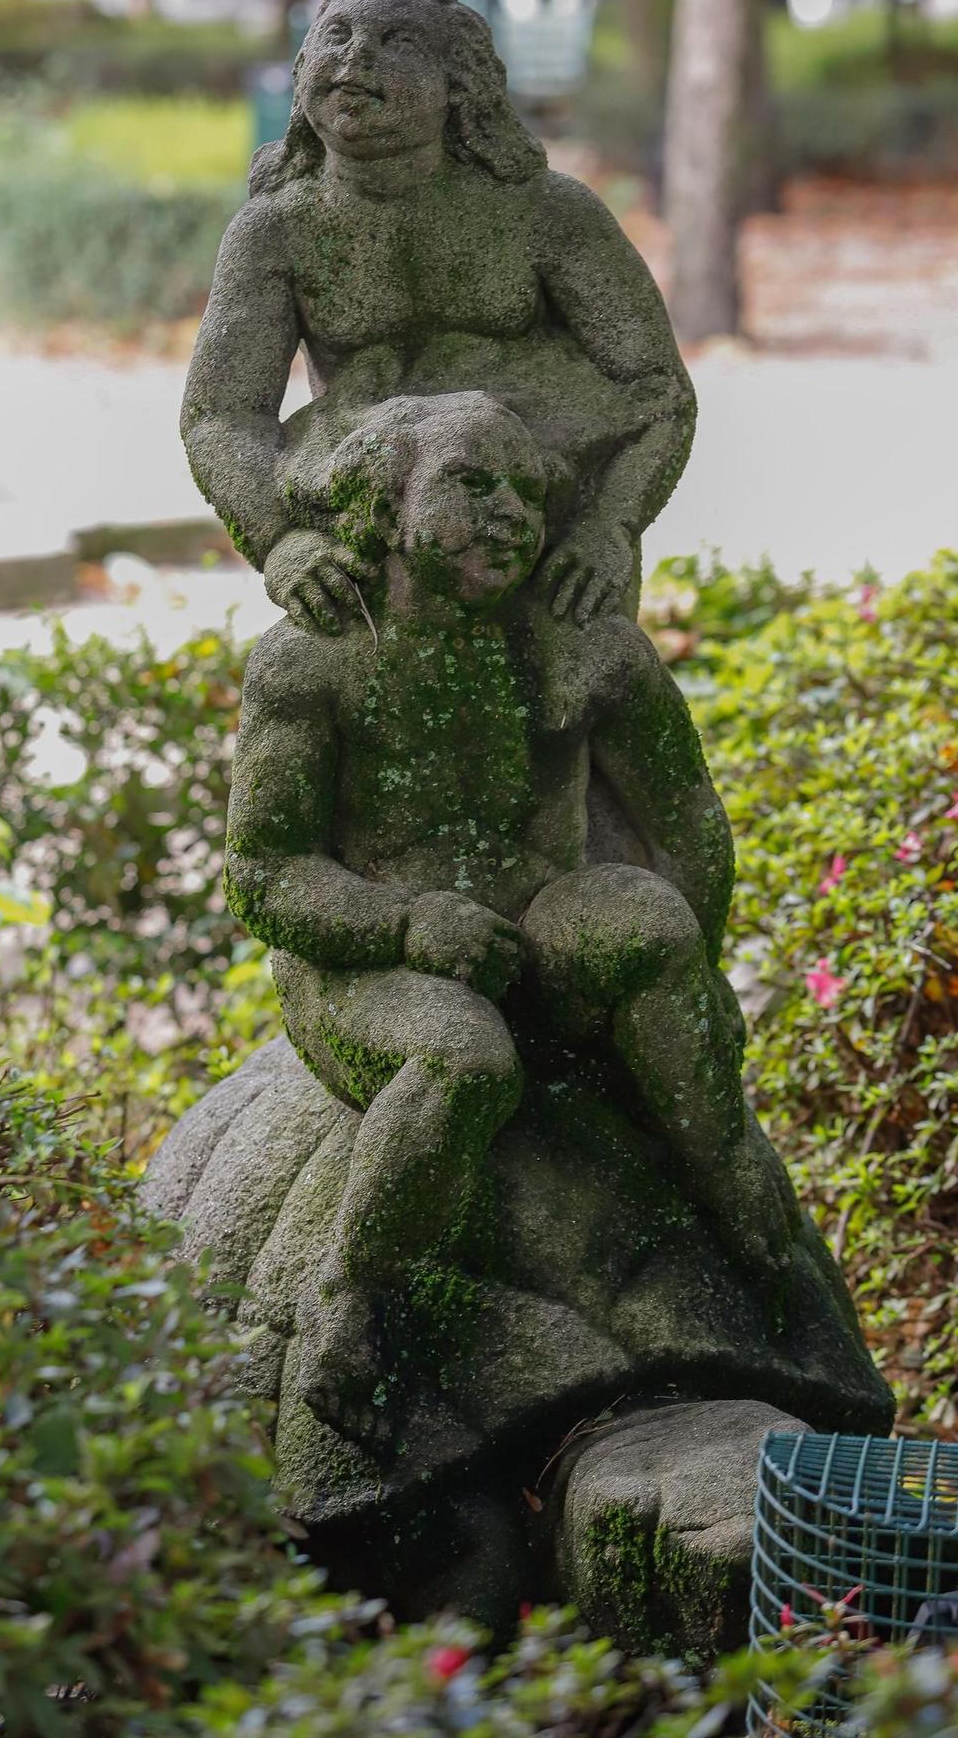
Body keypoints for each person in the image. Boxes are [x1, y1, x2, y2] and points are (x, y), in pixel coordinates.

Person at [223, 392, 798, 1450]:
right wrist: (401, 927)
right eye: (471, 483)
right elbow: (262, 870)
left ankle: (737, 1198)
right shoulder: (315, 659)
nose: (509, 515)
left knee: (646, 920)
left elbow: (688, 827)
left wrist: (693, 984)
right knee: (463, 1058)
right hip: (366, 965)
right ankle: (352, 1295)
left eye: (528, 493)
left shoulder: (582, 644)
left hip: (534, 924)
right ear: (386, 502)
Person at [181, 0, 695, 637]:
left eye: (396, 42)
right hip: (366, 561)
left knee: (586, 682)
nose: (355, 58)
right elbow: (221, 414)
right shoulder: (276, 231)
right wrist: (282, 542)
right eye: (336, 36)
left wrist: (610, 525)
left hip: (551, 555)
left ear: (458, 83)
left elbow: (657, 391)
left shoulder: (543, 211)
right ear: (303, 70)